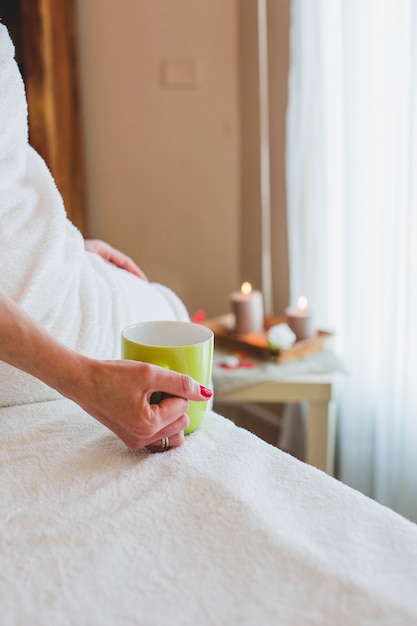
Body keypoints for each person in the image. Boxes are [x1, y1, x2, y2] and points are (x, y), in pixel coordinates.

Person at [0, 22, 212, 451]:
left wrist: (67, 243)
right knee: (174, 312)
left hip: (35, 269)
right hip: (36, 305)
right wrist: (87, 381)